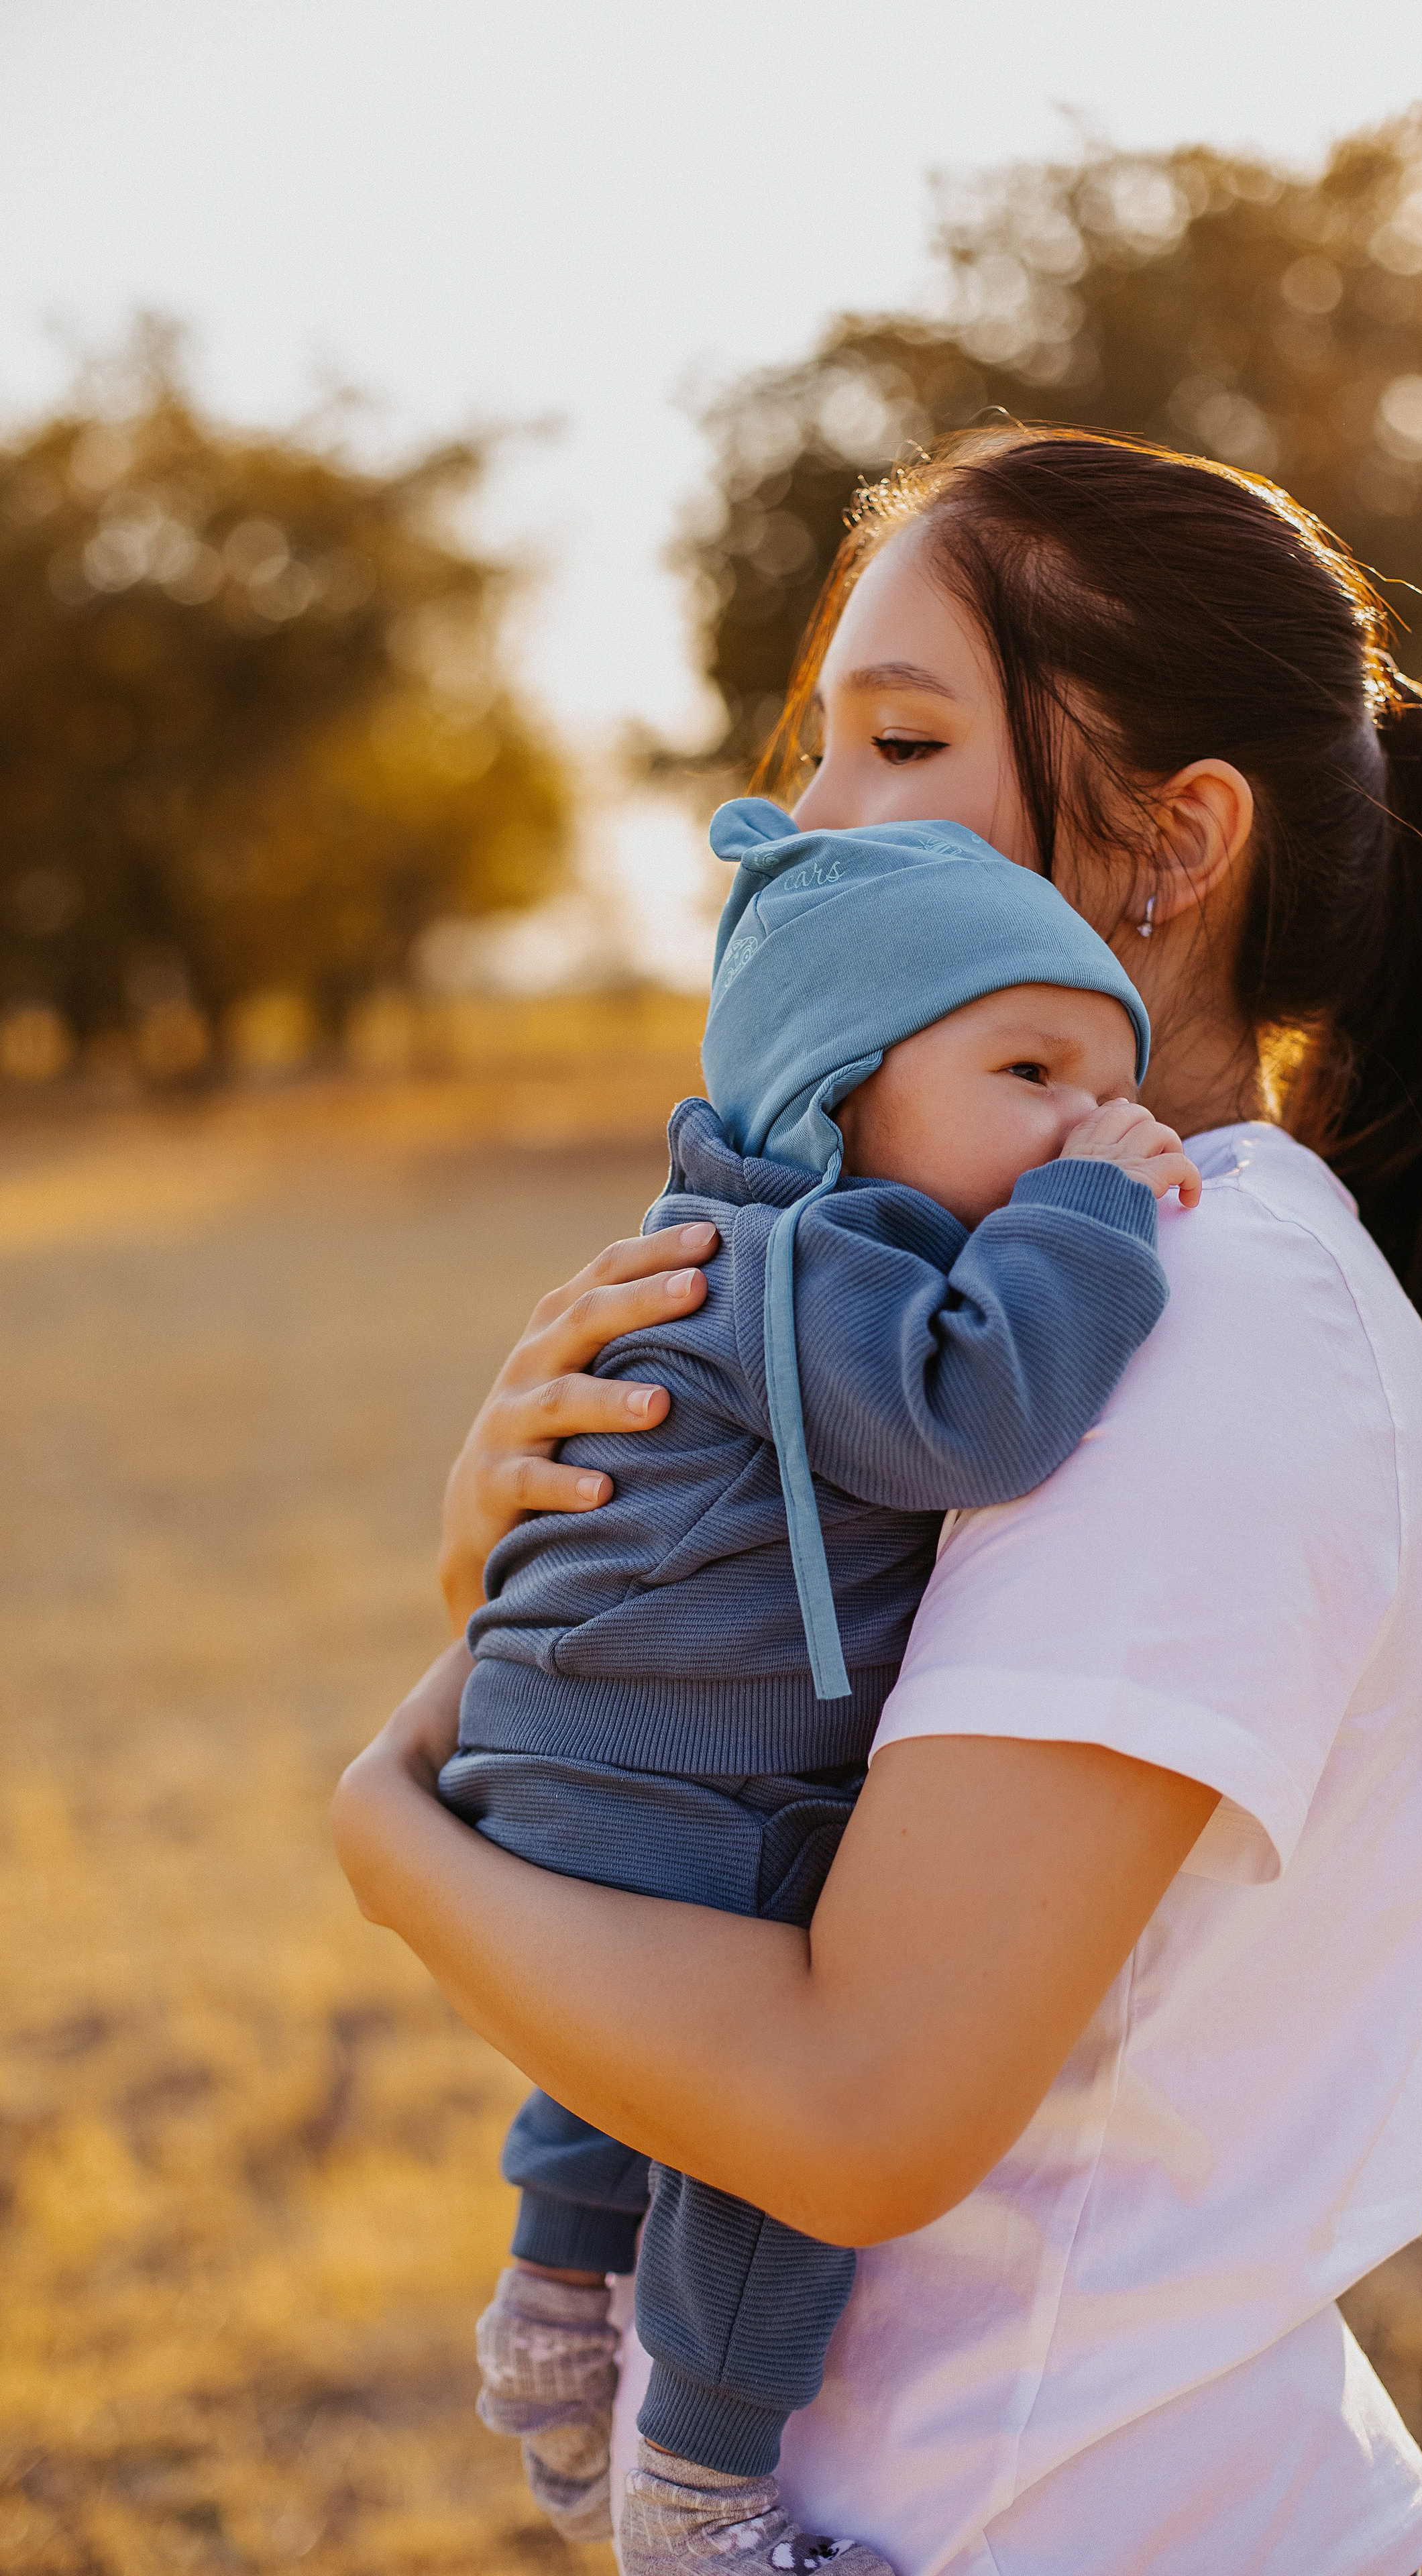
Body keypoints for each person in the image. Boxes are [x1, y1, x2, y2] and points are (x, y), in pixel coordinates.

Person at [333, 429, 1422, 2575]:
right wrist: (524, 1583)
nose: (809, 825)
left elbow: (859, 2108)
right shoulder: (997, 1263)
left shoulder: (1192, 1302)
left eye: (902, 739)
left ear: (1171, 850)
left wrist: (390, 1826)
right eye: (817, 750)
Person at [445, 793, 1197, 2574]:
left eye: (1103, 1083)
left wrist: (1044, 1148)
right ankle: (701, 2489)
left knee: (636, 2034)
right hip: (679, 1768)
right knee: (773, 2097)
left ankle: (553, 2296)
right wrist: (1090, 1207)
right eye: (1030, 1073)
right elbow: (981, 1417)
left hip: (578, 1747)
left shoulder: (717, 1249)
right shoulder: (824, 1259)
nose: (1078, 1118)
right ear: (839, 1095)